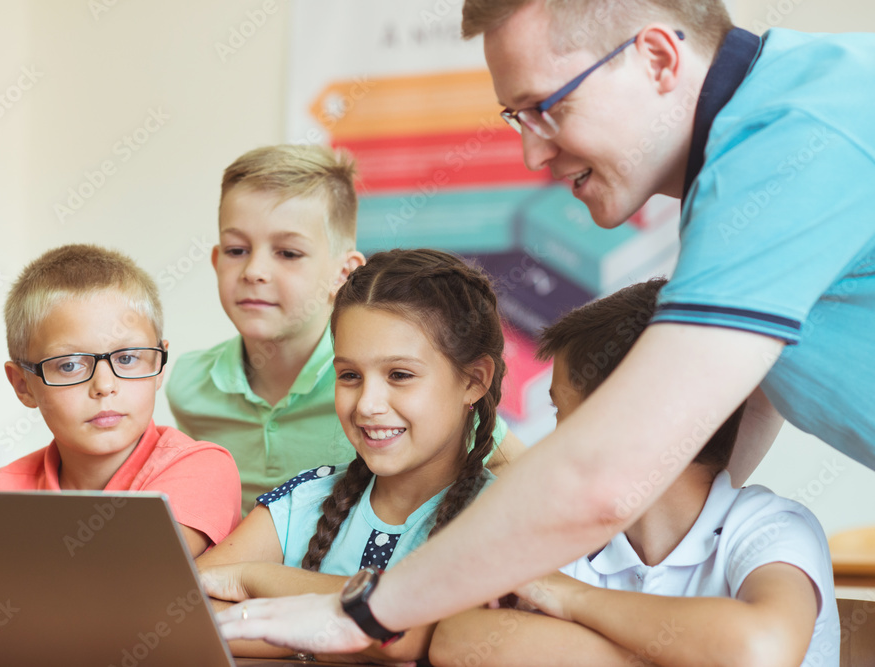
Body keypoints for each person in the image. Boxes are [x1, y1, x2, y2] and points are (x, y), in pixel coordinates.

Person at [215, 0, 875, 655]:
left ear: (657, 57)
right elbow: (743, 389)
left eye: (546, 106)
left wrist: (361, 615)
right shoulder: (750, 153)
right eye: (515, 118)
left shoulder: (796, 137)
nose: (532, 151)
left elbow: (606, 474)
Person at [429, 279, 838, 667]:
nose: (550, 447)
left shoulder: (771, 530)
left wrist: (572, 599)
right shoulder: (573, 545)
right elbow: (457, 640)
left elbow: (760, 648)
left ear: (638, 422)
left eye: (562, 413)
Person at [0, 244, 242, 645]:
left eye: (130, 357)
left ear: (159, 366)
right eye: (69, 365)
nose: (105, 386)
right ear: (22, 385)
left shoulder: (202, 468)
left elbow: (105, 592)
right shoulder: (7, 490)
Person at [166, 144, 524, 515]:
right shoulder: (189, 384)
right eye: (236, 250)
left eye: (288, 253)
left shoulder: (385, 391)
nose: (254, 271)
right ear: (215, 260)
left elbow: (518, 470)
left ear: (343, 273)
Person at [196, 248, 505, 662]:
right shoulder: (303, 502)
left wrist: (257, 578)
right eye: (350, 376)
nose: (367, 405)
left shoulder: (501, 519)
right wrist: (345, 637)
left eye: (399, 375)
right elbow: (177, 608)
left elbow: (412, 635)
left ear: (474, 380)